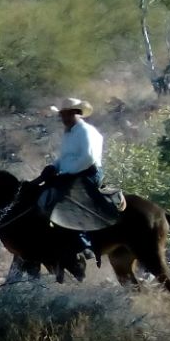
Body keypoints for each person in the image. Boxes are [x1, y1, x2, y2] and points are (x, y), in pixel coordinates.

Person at [38, 98, 106, 266]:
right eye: (62, 114)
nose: (64, 118)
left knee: (67, 202)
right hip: (70, 174)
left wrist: (66, 173)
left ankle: (85, 245)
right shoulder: (69, 133)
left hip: (87, 173)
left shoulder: (85, 131)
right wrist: (54, 167)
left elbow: (88, 158)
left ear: (77, 113)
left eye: (67, 114)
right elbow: (64, 158)